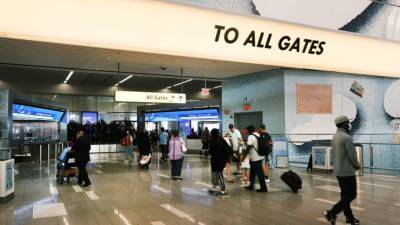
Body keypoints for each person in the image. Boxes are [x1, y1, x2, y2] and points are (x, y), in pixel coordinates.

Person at [325, 116, 361, 225]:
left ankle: (349, 218)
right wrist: (357, 165)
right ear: (344, 124)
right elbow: (352, 155)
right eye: (348, 122)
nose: (349, 124)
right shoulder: (347, 137)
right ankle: (331, 213)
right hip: (347, 171)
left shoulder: (335, 137)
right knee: (351, 195)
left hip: (339, 171)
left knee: (345, 195)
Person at [245, 125, 268, 192]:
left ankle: (264, 188)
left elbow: (248, 147)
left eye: (247, 130)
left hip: (256, 158)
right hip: (259, 156)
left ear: (249, 130)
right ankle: (251, 186)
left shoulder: (251, 136)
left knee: (260, 173)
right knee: (252, 173)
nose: (246, 132)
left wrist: (243, 157)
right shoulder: (257, 134)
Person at [208, 129, 229, 196]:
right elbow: (227, 149)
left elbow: (210, 152)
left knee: (219, 174)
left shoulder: (213, 141)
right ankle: (216, 186)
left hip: (216, 160)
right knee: (218, 173)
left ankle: (223, 190)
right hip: (221, 160)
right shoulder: (222, 140)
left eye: (211, 134)